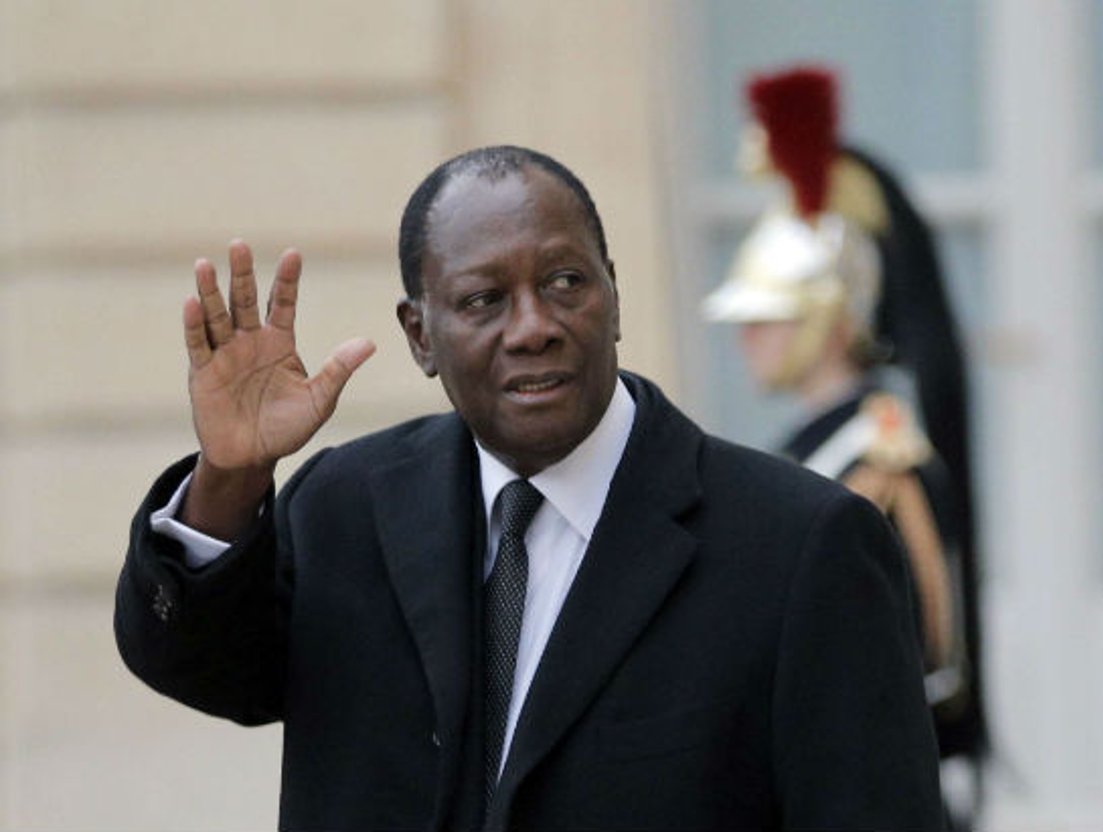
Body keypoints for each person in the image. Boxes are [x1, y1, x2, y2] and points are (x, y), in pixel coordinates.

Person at [114, 145, 943, 831]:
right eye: (483, 299)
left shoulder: (800, 544)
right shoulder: (347, 504)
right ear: (420, 335)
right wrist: (230, 476)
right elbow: (208, 671)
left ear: (612, 297)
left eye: (564, 283)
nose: (534, 325)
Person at [702, 67, 986, 827]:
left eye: (768, 318)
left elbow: (929, 658)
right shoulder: (811, 448)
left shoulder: (880, 462)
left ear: (829, 317)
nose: (748, 339)